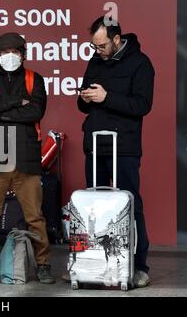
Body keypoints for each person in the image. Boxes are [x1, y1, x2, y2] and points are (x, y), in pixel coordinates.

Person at [0, 32, 55, 284]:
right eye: (4, 52)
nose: (10, 56)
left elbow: (36, 110)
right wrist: (18, 103)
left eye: (15, 52)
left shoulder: (34, 79)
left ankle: (43, 265)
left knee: (34, 216)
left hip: (26, 157)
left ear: (23, 54)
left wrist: (3, 113)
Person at [77, 16, 154, 288]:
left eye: (101, 45)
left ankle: (139, 266)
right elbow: (83, 105)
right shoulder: (95, 62)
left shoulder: (140, 63)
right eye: (94, 46)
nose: (97, 51)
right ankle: (92, 265)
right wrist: (85, 97)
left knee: (129, 207)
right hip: (95, 145)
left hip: (124, 147)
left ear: (117, 39)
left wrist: (107, 98)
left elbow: (142, 105)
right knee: (93, 209)